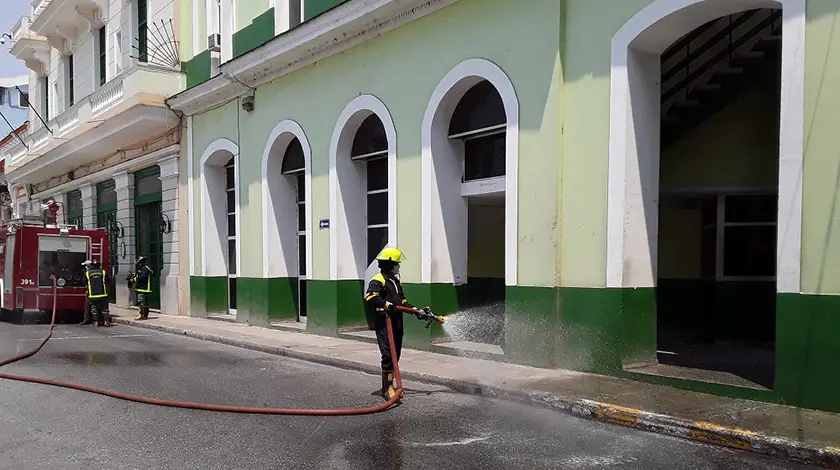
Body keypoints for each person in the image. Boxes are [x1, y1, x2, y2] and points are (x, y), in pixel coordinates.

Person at [363, 247, 416, 400]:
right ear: (389, 264)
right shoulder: (378, 280)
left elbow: (402, 301)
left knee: (395, 355)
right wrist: (387, 305)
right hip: (384, 322)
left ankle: (390, 384)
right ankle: (387, 388)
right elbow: (370, 297)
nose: (398, 266)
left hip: (397, 321)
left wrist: (414, 309)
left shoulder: (395, 280)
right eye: (396, 264)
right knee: (387, 355)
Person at [86, 259, 112, 327]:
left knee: (94, 309)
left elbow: (84, 282)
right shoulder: (103, 272)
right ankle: (106, 321)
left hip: (92, 295)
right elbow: (108, 281)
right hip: (103, 294)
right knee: (105, 309)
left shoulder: (88, 273)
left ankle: (96, 322)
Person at [133, 256, 153, 321]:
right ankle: (145, 315)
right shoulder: (147, 268)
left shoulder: (144, 268)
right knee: (146, 303)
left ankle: (141, 315)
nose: (139, 264)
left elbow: (142, 277)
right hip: (146, 288)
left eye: (140, 262)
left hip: (143, 288)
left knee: (141, 302)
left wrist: (135, 278)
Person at [79, 260, 94, 325]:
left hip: (90, 292)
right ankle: (97, 320)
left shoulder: (87, 273)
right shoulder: (99, 272)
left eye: (85, 266)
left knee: (87, 306)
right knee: (95, 307)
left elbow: (85, 282)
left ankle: (87, 320)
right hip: (99, 292)